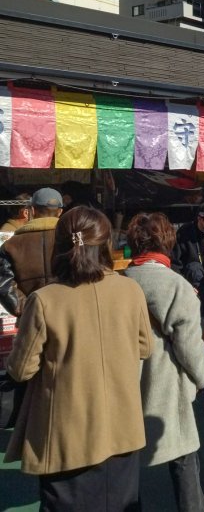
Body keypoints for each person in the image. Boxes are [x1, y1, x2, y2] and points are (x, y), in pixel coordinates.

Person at [5, 207, 152, 511]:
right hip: (122, 427)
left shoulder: (45, 300)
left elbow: (21, 369)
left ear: (60, 246)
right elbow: (144, 348)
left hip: (66, 433)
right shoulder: (130, 290)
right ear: (106, 243)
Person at [125, 212, 204, 512]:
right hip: (168, 382)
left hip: (126, 384)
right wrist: (201, 378)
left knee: (127, 463)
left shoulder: (120, 282)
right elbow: (189, 345)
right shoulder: (177, 286)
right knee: (184, 459)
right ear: (167, 243)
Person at [0, 188, 63, 318]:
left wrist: (30, 311)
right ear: (60, 212)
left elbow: (4, 287)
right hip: (67, 319)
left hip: (30, 325)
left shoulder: (10, 245)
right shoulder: (73, 241)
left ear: (32, 211)